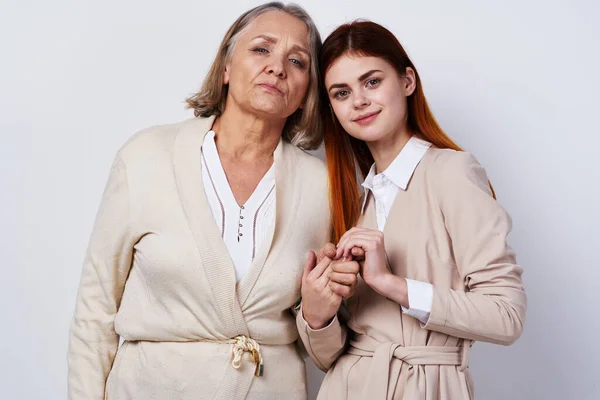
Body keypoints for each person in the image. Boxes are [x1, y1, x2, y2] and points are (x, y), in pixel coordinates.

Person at [67, 3, 358, 399]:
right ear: (225, 67)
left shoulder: (324, 188)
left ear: (306, 92)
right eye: (261, 49)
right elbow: (95, 311)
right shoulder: (146, 157)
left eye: (298, 61)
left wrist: (317, 315)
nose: (278, 67)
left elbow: (332, 352)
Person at [297, 20, 527, 399]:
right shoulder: (356, 200)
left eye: (372, 81)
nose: (359, 101)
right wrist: (317, 313)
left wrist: (392, 284)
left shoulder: (451, 172)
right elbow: (330, 358)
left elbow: (507, 316)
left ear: (407, 81)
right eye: (341, 92)